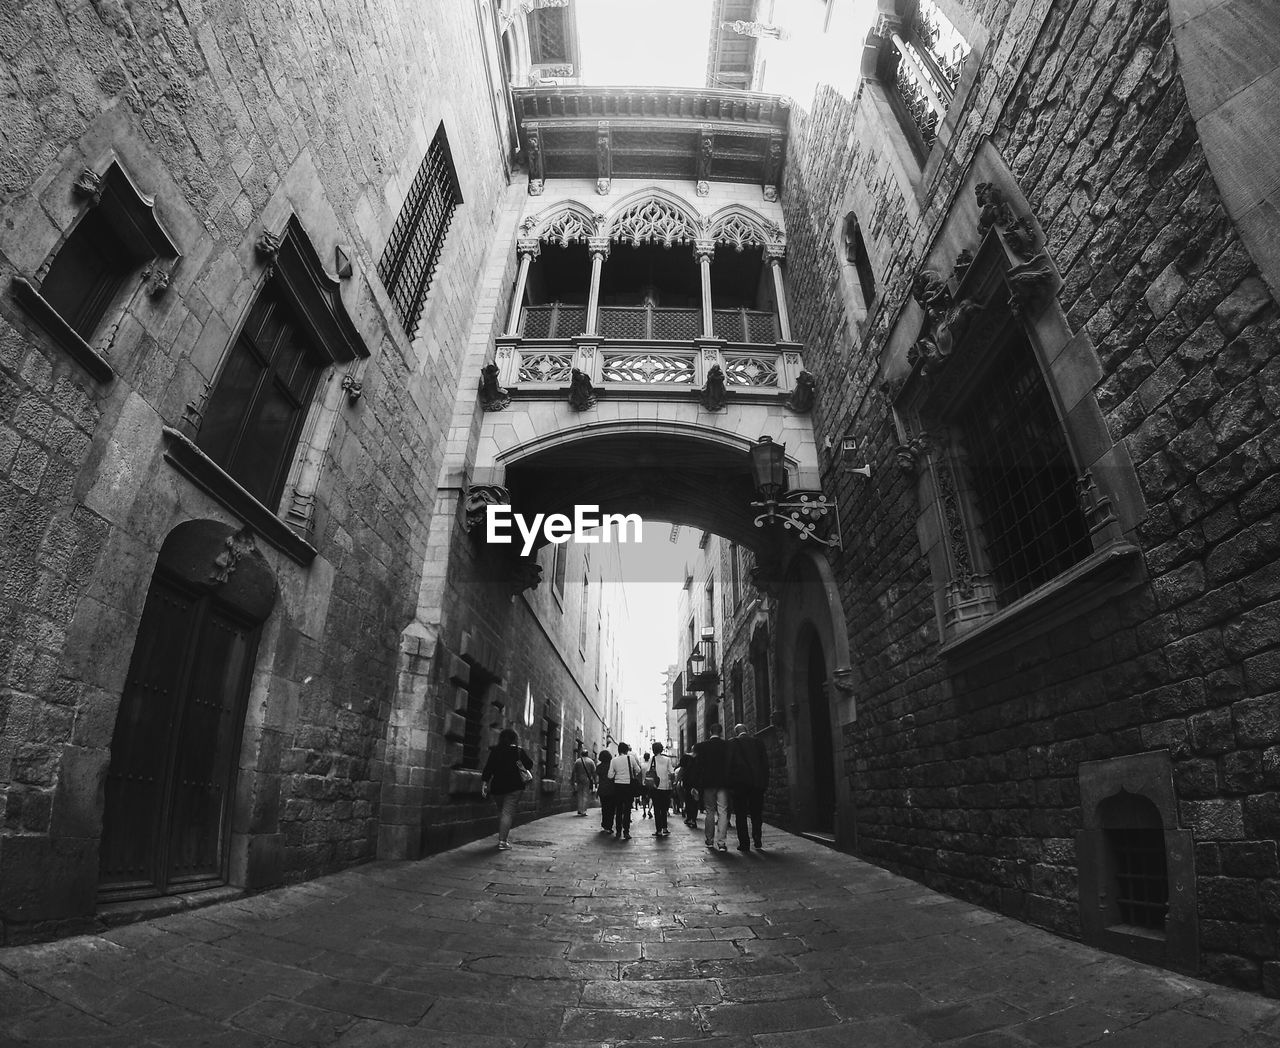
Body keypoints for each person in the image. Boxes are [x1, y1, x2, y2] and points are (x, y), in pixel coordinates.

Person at [481, 728, 534, 850]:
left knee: (502, 812)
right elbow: (529, 764)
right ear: (514, 738)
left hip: (497, 787)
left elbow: (488, 768)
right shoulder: (518, 751)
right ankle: (502, 842)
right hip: (514, 787)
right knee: (507, 813)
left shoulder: (495, 751)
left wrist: (484, 783)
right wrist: (518, 762)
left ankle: (502, 837)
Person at [728, 722, 769, 851]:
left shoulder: (732, 743)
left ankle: (744, 844)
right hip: (757, 784)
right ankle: (757, 839)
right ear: (747, 730)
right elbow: (765, 764)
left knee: (740, 815)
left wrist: (730, 784)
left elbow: (729, 765)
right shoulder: (758, 742)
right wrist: (765, 782)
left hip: (739, 785)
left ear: (736, 732)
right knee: (756, 813)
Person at [694, 723, 731, 851]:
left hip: (708, 783)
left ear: (710, 732)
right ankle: (721, 843)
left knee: (709, 811)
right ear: (721, 732)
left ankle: (709, 840)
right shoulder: (727, 745)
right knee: (723, 811)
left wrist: (697, 785)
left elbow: (698, 767)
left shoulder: (702, 747)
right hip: (723, 783)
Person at [607, 742, 642, 839]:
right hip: (628, 786)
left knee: (618, 809)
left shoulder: (614, 760)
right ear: (627, 750)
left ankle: (618, 831)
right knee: (627, 810)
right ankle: (626, 831)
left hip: (617, 786)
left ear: (618, 750)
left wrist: (617, 774)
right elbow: (638, 770)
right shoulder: (630, 758)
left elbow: (610, 775)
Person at [646, 741, 675, 837]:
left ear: (654, 750)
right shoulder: (667, 759)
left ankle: (658, 830)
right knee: (664, 808)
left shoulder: (652, 759)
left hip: (655, 787)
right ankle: (665, 828)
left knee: (657, 808)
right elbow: (672, 772)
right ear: (662, 749)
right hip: (666, 787)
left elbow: (648, 771)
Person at [570, 745, 596, 816]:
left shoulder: (577, 761)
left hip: (579, 779)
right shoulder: (591, 762)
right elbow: (594, 772)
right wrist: (595, 781)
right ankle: (583, 811)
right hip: (587, 780)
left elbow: (574, 772)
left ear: (581, 754)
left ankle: (579, 809)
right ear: (587, 754)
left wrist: (572, 780)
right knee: (585, 795)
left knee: (580, 794)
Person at [596, 748, 615, 834]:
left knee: (604, 808)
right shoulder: (612, 766)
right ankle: (609, 826)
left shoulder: (599, 767)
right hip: (611, 789)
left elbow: (597, 778)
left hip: (602, 789)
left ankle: (604, 824)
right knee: (611, 808)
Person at [638, 752, 653, 819]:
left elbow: (639, 774)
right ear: (649, 758)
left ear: (644, 758)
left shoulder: (642, 765)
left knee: (643, 798)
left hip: (643, 783)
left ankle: (644, 812)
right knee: (651, 798)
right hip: (650, 783)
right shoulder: (651, 765)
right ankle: (649, 810)